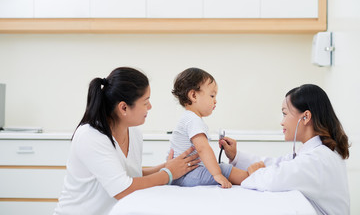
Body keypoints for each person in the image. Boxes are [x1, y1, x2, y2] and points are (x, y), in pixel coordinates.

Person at [54, 67, 199, 215]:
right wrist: (168, 173)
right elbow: (123, 189)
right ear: (123, 107)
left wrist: (165, 167)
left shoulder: (133, 131)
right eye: (145, 102)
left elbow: (128, 174)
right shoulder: (91, 136)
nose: (150, 107)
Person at [220, 84, 350, 214]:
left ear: (306, 117)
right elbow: (277, 164)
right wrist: (235, 155)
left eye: (285, 113)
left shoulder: (317, 159)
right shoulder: (314, 152)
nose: (282, 122)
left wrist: (256, 173)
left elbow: (273, 179)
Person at [169, 67, 250, 188]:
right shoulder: (193, 120)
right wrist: (217, 174)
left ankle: (252, 176)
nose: (215, 101)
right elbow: (202, 148)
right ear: (193, 95)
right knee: (223, 169)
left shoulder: (189, 118)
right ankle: (254, 178)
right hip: (187, 175)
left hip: (180, 175)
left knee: (219, 167)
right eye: (212, 96)